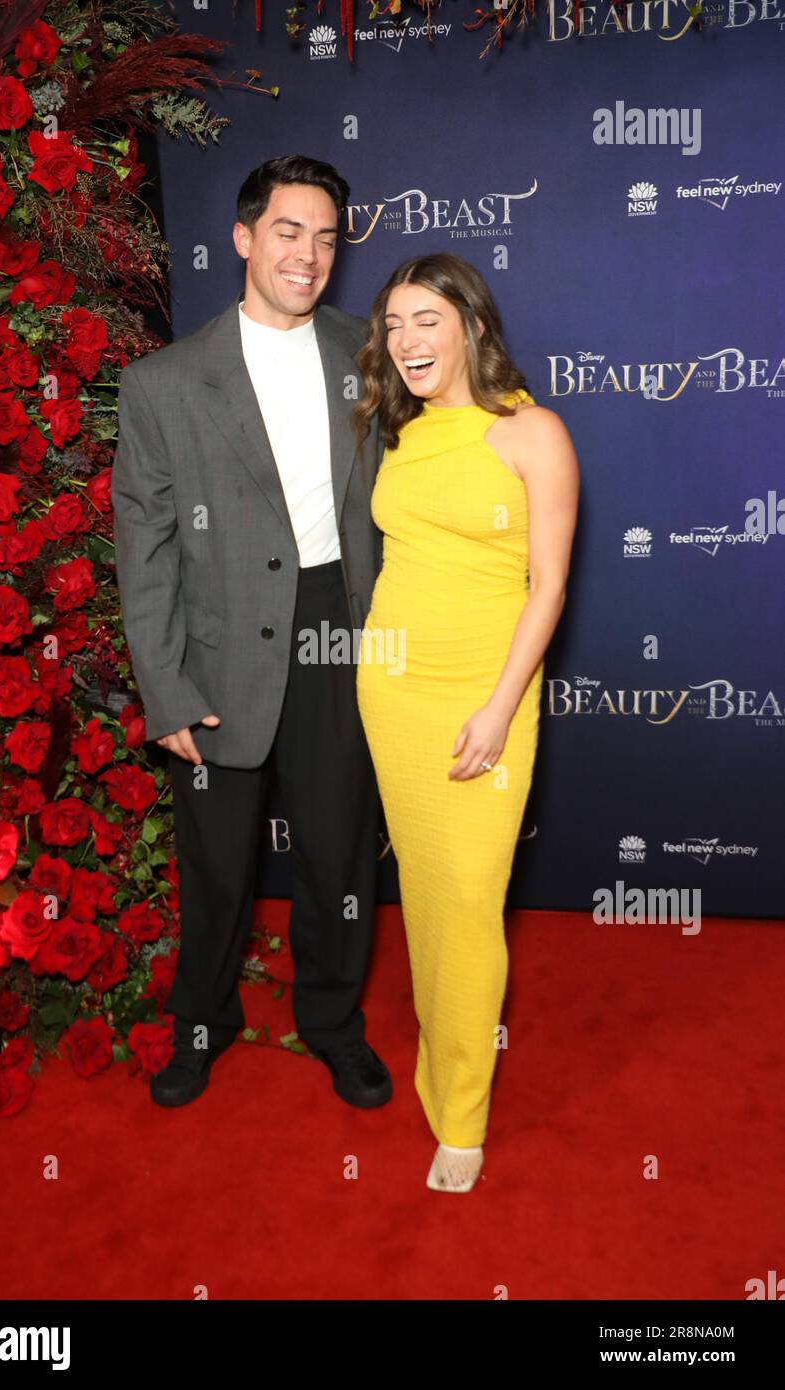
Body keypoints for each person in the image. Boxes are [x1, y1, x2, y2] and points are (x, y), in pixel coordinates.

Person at [111, 155, 391, 1110]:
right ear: (242, 237)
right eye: (287, 232)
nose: (308, 256)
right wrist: (165, 686)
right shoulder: (165, 384)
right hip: (219, 643)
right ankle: (204, 1025)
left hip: (338, 633)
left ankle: (333, 1025)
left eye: (324, 238)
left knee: (339, 851)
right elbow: (142, 549)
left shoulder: (369, 354)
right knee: (218, 867)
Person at [353, 253, 578, 1191]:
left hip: (485, 695)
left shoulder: (532, 432)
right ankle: (437, 1053)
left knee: (473, 899)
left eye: (426, 321)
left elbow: (549, 586)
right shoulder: (400, 435)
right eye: (394, 325)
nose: (407, 342)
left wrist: (499, 707)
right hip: (393, 694)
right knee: (431, 898)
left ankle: (464, 1112)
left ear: (471, 325)